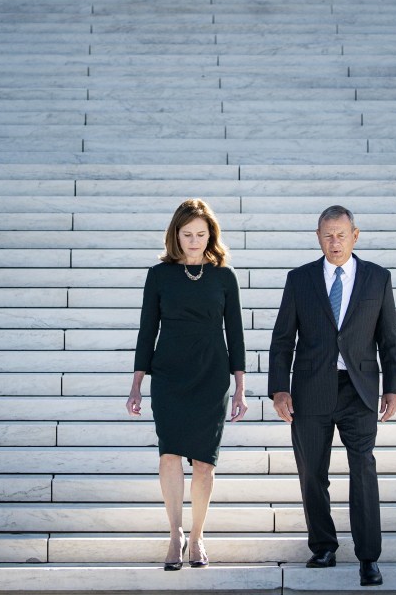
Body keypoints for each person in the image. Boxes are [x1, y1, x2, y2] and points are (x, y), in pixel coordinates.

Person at [268, 205, 396, 587]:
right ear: (318, 237)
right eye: (327, 235)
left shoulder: (377, 278)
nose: (335, 242)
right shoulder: (300, 279)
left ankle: (368, 558)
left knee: (363, 471)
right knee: (312, 472)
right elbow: (282, 339)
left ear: (355, 236)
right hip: (310, 391)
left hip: (359, 390)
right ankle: (323, 546)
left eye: (341, 235)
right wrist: (279, 389)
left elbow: (389, 338)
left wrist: (394, 387)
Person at [127, 198, 248, 571]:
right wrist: (136, 384)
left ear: (211, 235)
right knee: (169, 454)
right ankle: (175, 533)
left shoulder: (224, 276)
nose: (194, 241)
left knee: (204, 463)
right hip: (169, 375)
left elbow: (236, 334)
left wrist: (240, 387)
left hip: (212, 375)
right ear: (175, 236)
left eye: (201, 234)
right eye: (187, 234)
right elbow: (147, 330)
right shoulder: (159, 275)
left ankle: (197, 536)